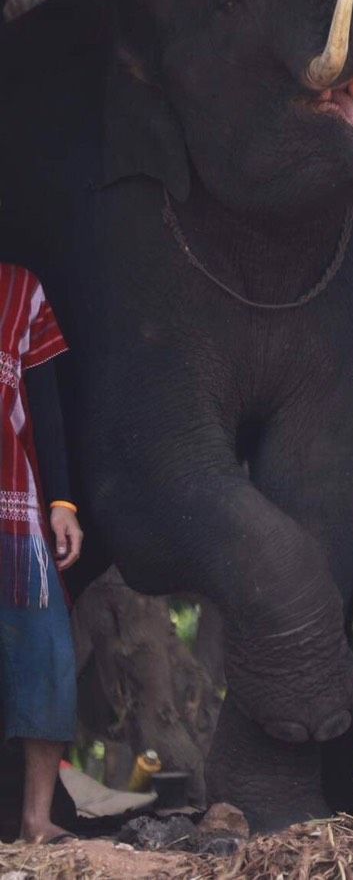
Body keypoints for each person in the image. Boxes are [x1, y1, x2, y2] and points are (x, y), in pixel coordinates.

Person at [0, 263, 85, 844]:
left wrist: (62, 503)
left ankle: (36, 820)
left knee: (47, 655)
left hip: (14, 512)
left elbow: (47, 407)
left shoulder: (20, 290)